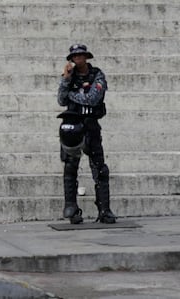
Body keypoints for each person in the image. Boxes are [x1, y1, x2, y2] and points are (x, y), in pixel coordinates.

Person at [58, 43, 114, 224]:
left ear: (86, 57)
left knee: (99, 168)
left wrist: (72, 93)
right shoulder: (69, 77)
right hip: (73, 125)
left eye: (81, 56)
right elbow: (60, 100)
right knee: (70, 168)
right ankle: (71, 207)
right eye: (75, 56)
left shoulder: (97, 74)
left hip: (90, 125)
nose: (78, 59)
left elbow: (92, 98)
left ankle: (104, 209)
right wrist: (66, 80)